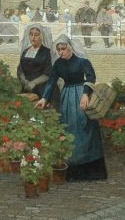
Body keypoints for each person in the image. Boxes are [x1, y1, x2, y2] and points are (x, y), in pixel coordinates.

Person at [35, 35, 107, 181]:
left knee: (85, 129)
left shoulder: (83, 62)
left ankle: (90, 170)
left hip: (81, 96)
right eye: (58, 50)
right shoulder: (58, 64)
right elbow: (51, 81)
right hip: (67, 98)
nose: (61, 52)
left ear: (70, 48)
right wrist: (44, 97)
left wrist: (86, 94)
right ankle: (72, 169)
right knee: (69, 129)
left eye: (63, 49)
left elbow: (91, 77)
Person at [17, 24, 58, 106]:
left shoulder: (47, 52)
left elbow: (48, 73)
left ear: (42, 36)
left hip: (43, 89)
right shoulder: (25, 51)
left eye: (36, 35)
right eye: (31, 34)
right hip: (27, 88)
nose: (33, 37)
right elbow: (20, 69)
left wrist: (34, 83)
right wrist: (24, 80)